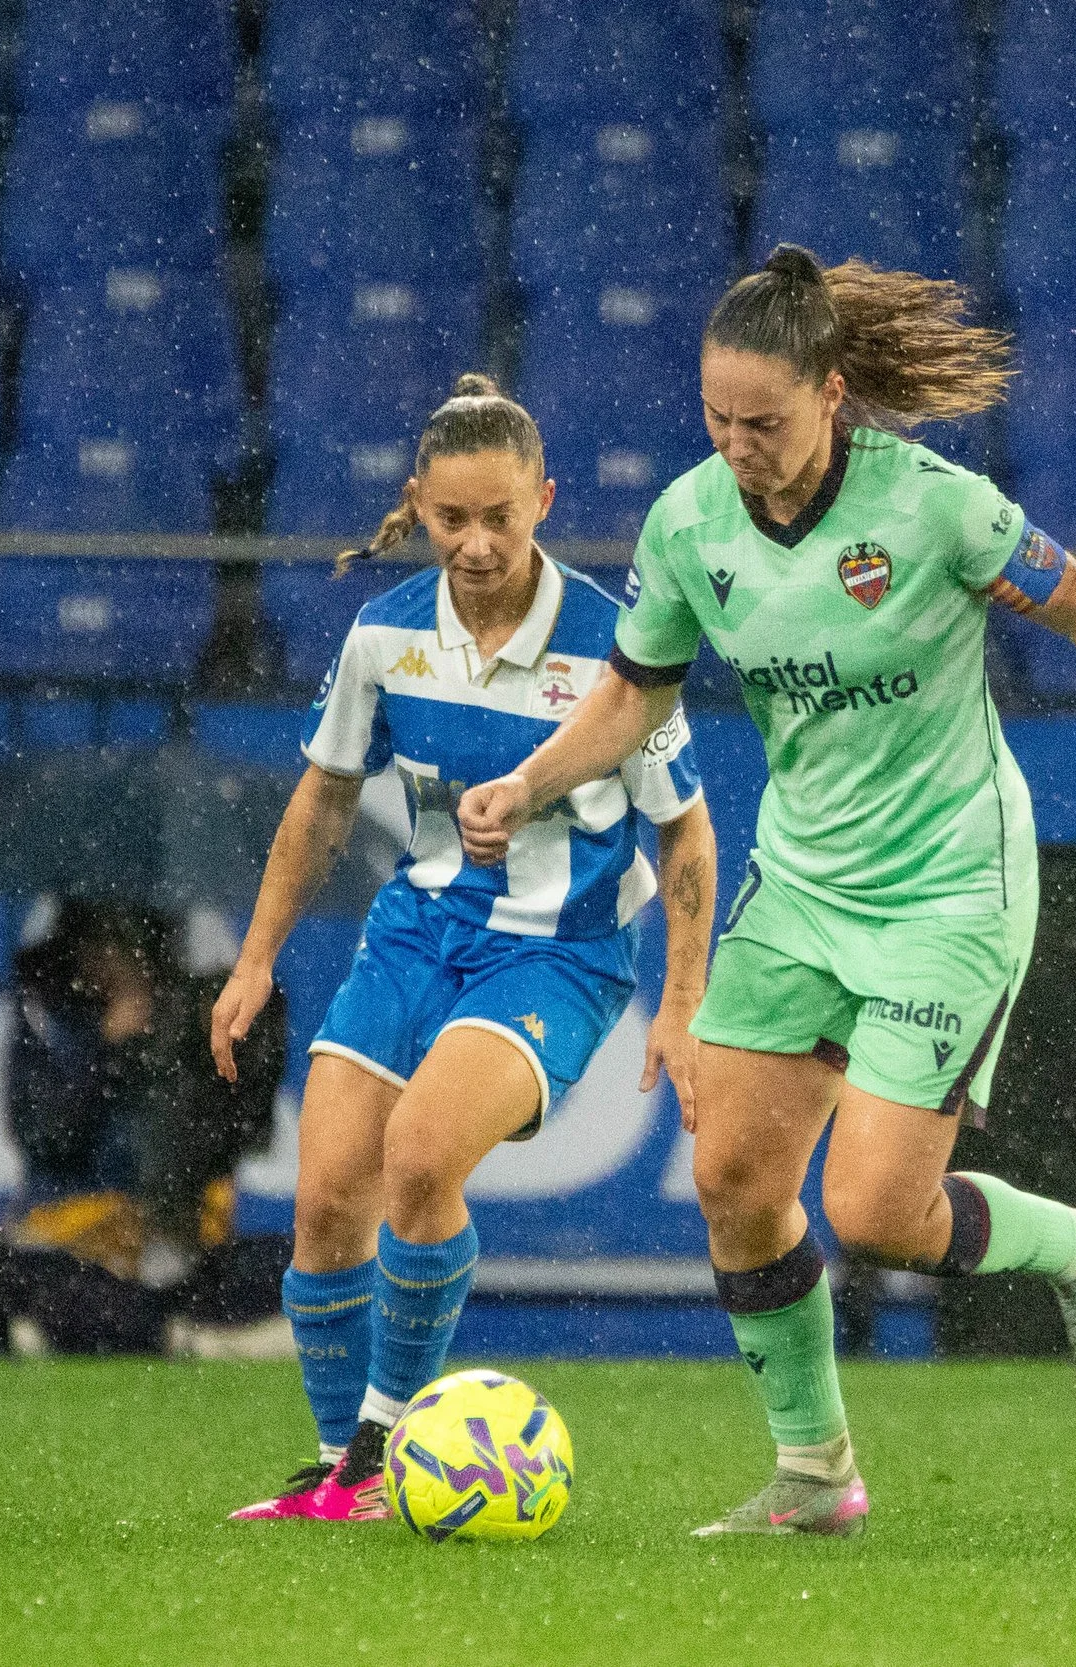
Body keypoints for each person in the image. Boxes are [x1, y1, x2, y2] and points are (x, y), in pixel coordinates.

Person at [458, 245, 1076, 1538]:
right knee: (736, 1176)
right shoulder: (688, 522)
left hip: (950, 884)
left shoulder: (933, 507)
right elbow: (636, 688)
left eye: (766, 421)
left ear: (834, 393)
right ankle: (815, 1473)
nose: (739, 445)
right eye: (717, 419)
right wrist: (528, 781)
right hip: (802, 881)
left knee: (876, 1211)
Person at [213, 375, 717, 1523]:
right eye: (453, 520)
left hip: (561, 950)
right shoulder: (384, 632)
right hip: (420, 928)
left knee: (423, 1158)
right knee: (329, 1195)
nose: (478, 543)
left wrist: (681, 1001)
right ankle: (346, 1471)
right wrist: (253, 959)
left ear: (544, 498)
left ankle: (387, 1452)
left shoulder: (614, 648)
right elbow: (322, 801)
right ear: (418, 508)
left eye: (502, 515)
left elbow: (685, 830)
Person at [10, 899, 285, 1283]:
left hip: (177, 1238)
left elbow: (248, 1134)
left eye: (127, 948)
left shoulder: (186, 1015)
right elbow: (45, 1136)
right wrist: (103, 1046)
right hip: (68, 1228)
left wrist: (204, 1039)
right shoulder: (49, 1013)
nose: (109, 964)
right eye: (102, 944)